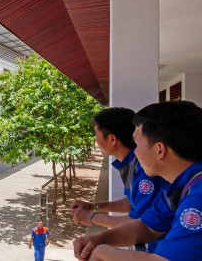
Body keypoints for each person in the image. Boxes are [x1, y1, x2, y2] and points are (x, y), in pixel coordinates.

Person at [73, 101, 202, 261]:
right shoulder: (180, 185)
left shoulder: (197, 197)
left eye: (137, 144)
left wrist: (102, 253)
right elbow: (147, 226)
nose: (136, 152)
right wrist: (98, 239)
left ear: (159, 150)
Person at [70, 107, 164, 252]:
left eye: (96, 135)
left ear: (112, 139)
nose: (95, 140)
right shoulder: (129, 164)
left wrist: (91, 217)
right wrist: (94, 206)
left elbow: (138, 223)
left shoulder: (142, 169)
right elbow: (133, 202)